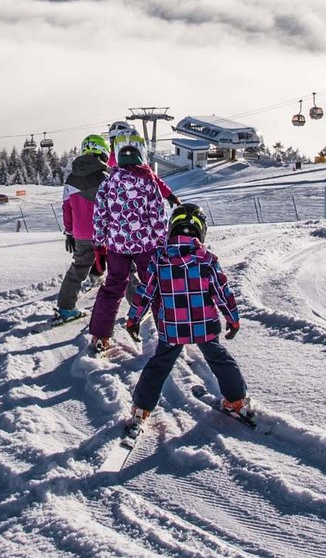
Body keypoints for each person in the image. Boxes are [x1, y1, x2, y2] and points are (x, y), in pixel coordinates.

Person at [122, 203, 252, 426]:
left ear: (172, 228)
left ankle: (141, 409)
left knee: (159, 366)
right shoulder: (207, 259)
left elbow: (146, 292)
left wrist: (134, 319)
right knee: (219, 359)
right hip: (205, 325)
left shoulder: (159, 259)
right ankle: (236, 401)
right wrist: (232, 318)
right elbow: (222, 291)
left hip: (173, 327)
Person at [88, 139, 175, 353]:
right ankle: (168, 334)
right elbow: (157, 215)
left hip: (117, 246)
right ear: (139, 159)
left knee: (112, 288)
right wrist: (162, 241)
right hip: (146, 245)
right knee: (154, 287)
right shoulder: (147, 181)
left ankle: (100, 336)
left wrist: (99, 244)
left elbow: (100, 216)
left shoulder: (108, 183)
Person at [52, 134, 111, 323]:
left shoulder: (71, 179)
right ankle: (137, 304)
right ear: (102, 152)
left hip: (80, 234)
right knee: (121, 265)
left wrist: (69, 232)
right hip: (103, 231)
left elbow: (67, 207)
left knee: (78, 268)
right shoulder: (105, 177)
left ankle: (66, 308)